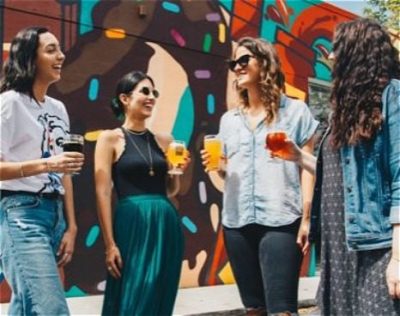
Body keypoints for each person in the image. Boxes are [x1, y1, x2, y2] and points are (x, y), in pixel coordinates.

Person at [272, 18, 400, 315]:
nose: (330, 57)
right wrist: (298, 156)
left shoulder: (392, 95)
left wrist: (398, 258)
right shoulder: (346, 110)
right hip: (338, 243)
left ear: (357, 51)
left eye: (336, 49)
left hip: (376, 247)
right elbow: (343, 178)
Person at [201, 37, 319, 315]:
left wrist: (306, 218)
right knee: (253, 308)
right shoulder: (228, 120)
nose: (237, 67)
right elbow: (228, 170)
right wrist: (218, 165)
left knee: (282, 309)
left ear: (265, 63)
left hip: (281, 219)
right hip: (237, 221)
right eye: (234, 63)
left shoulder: (296, 111)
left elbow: (307, 170)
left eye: (245, 60)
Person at [0, 27, 84, 315]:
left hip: (55, 214)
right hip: (21, 213)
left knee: (25, 305)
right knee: (51, 308)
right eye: (50, 50)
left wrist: (71, 225)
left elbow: (66, 171)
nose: (61, 55)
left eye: (59, 49)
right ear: (30, 58)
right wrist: (48, 164)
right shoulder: (10, 103)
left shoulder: (58, 108)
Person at [95, 70, 190, 316]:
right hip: (132, 223)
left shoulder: (165, 140)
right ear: (125, 99)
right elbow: (103, 192)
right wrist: (109, 244)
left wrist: (175, 172)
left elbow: (170, 190)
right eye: (145, 91)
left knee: (160, 294)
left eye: (154, 92)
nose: (151, 97)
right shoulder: (109, 139)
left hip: (165, 223)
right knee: (134, 293)